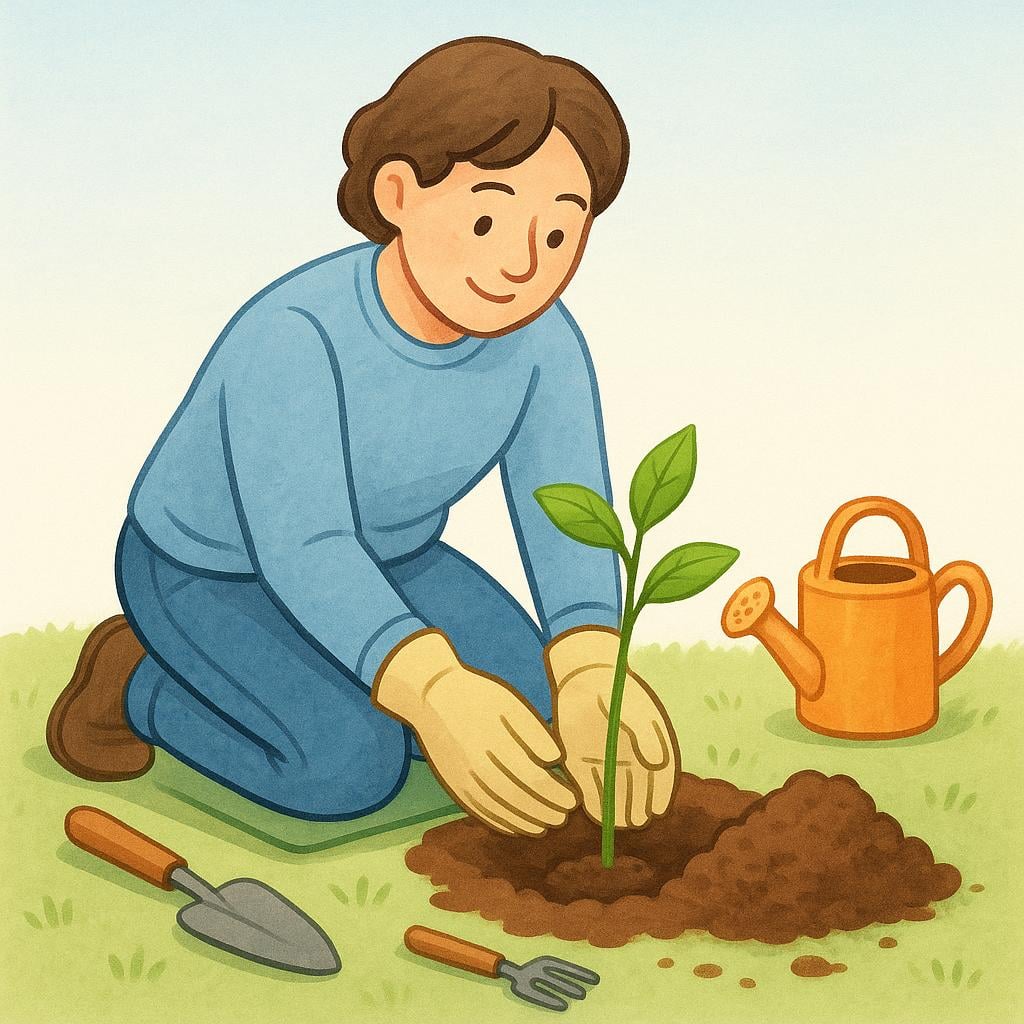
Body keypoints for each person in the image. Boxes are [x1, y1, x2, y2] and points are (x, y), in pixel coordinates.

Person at [46, 37, 679, 834]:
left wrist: (589, 657)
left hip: (397, 556)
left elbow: (570, 509)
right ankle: (136, 680)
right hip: (207, 571)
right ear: (398, 193)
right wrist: (431, 684)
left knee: (542, 724)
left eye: (558, 235)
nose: (524, 264)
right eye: (487, 217)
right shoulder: (294, 335)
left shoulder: (546, 343)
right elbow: (304, 545)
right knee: (348, 767)